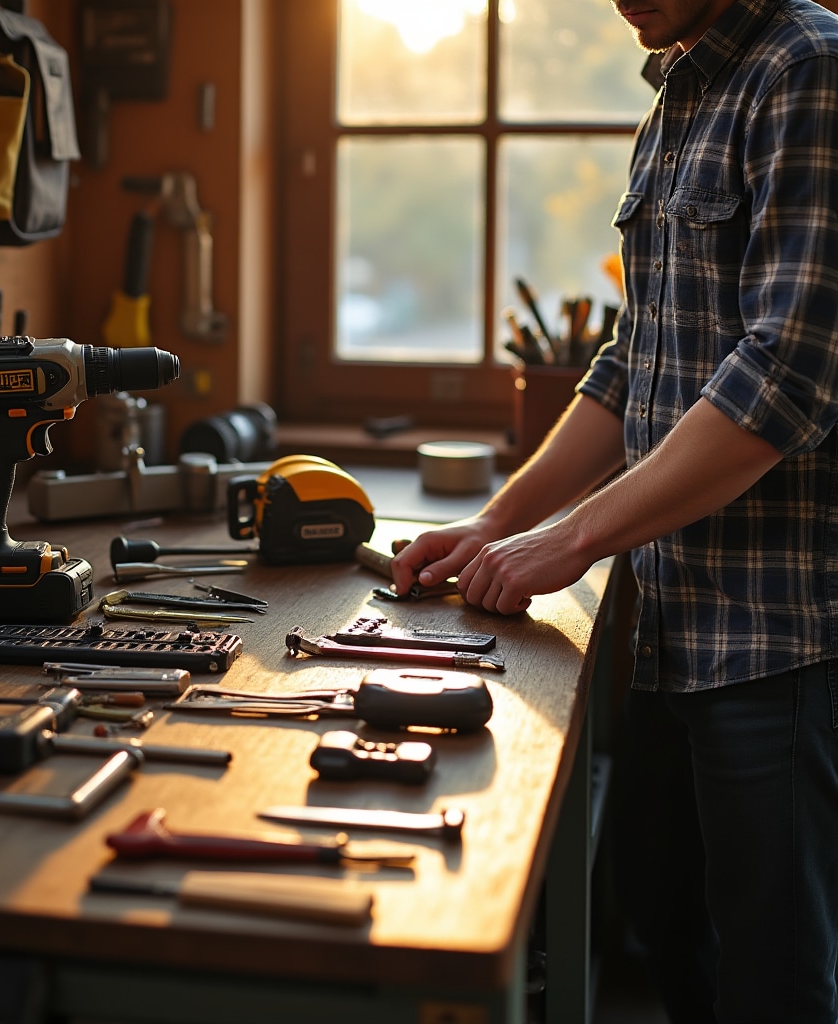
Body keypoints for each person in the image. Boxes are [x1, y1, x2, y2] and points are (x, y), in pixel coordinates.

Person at [390, 0, 838, 1020]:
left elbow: (787, 379)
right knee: (664, 925)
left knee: (773, 982)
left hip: (784, 647)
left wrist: (571, 541)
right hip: (680, 629)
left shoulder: (808, 67)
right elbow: (634, 361)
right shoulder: (679, 90)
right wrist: (498, 523)